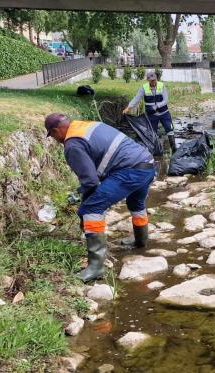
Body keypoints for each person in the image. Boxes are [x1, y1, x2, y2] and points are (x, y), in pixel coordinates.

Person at [44, 113, 155, 282]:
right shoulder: (86, 125)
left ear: (56, 130)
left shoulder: (72, 145)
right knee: (136, 202)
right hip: (147, 163)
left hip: (130, 171)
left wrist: (85, 205)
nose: (55, 140)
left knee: (91, 209)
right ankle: (141, 241)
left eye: (52, 136)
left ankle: (96, 268)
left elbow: (90, 181)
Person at [123, 71, 176, 153]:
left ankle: (174, 149)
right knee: (152, 133)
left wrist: (156, 106)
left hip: (164, 113)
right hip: (151, 115)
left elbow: (166, 100)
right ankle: (154, 151)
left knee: (170, 129)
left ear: (156, 79)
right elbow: (136, 99)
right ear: (148, 80)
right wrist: (128, 107)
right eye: (151, 81)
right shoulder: (144, 88)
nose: (153, 82)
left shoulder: (162, 86)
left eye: (154, 80)